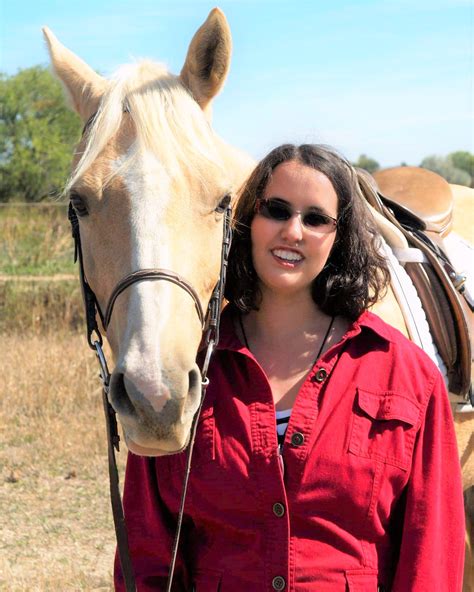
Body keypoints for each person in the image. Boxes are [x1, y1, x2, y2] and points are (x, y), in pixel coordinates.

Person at [115, 144, 465, 591]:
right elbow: (147, 550)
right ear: (246, 222)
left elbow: (430, 556)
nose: (293, 231)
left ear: (339, 237)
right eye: (276, 210)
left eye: (316, 219)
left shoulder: (409, 376)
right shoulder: (189, 371)